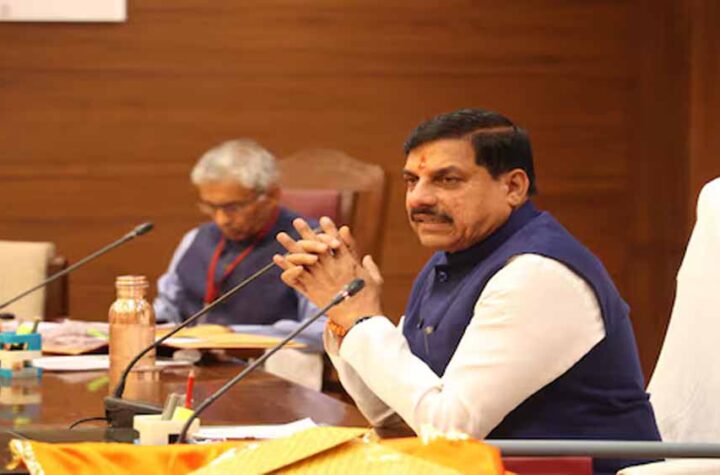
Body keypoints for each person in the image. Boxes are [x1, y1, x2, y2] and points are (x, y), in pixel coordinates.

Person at [273, 109, 661, 474]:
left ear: (513, 187)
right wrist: (343, 320)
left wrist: (362, 319)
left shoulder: (538, 273)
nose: (419, 198)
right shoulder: (451, 260)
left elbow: (450, 430)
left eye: (447, 180)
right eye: (412, 180)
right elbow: (397, 417)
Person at [153, 138, 323, 350]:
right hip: (187, 363)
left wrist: (231, 335)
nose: (221, 220)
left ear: (271, 196)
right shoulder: (194, 239)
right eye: (211, 207)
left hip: (269, 366)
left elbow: (323, 331)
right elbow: (165, 313)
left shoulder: (308, 244)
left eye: (233, 208)